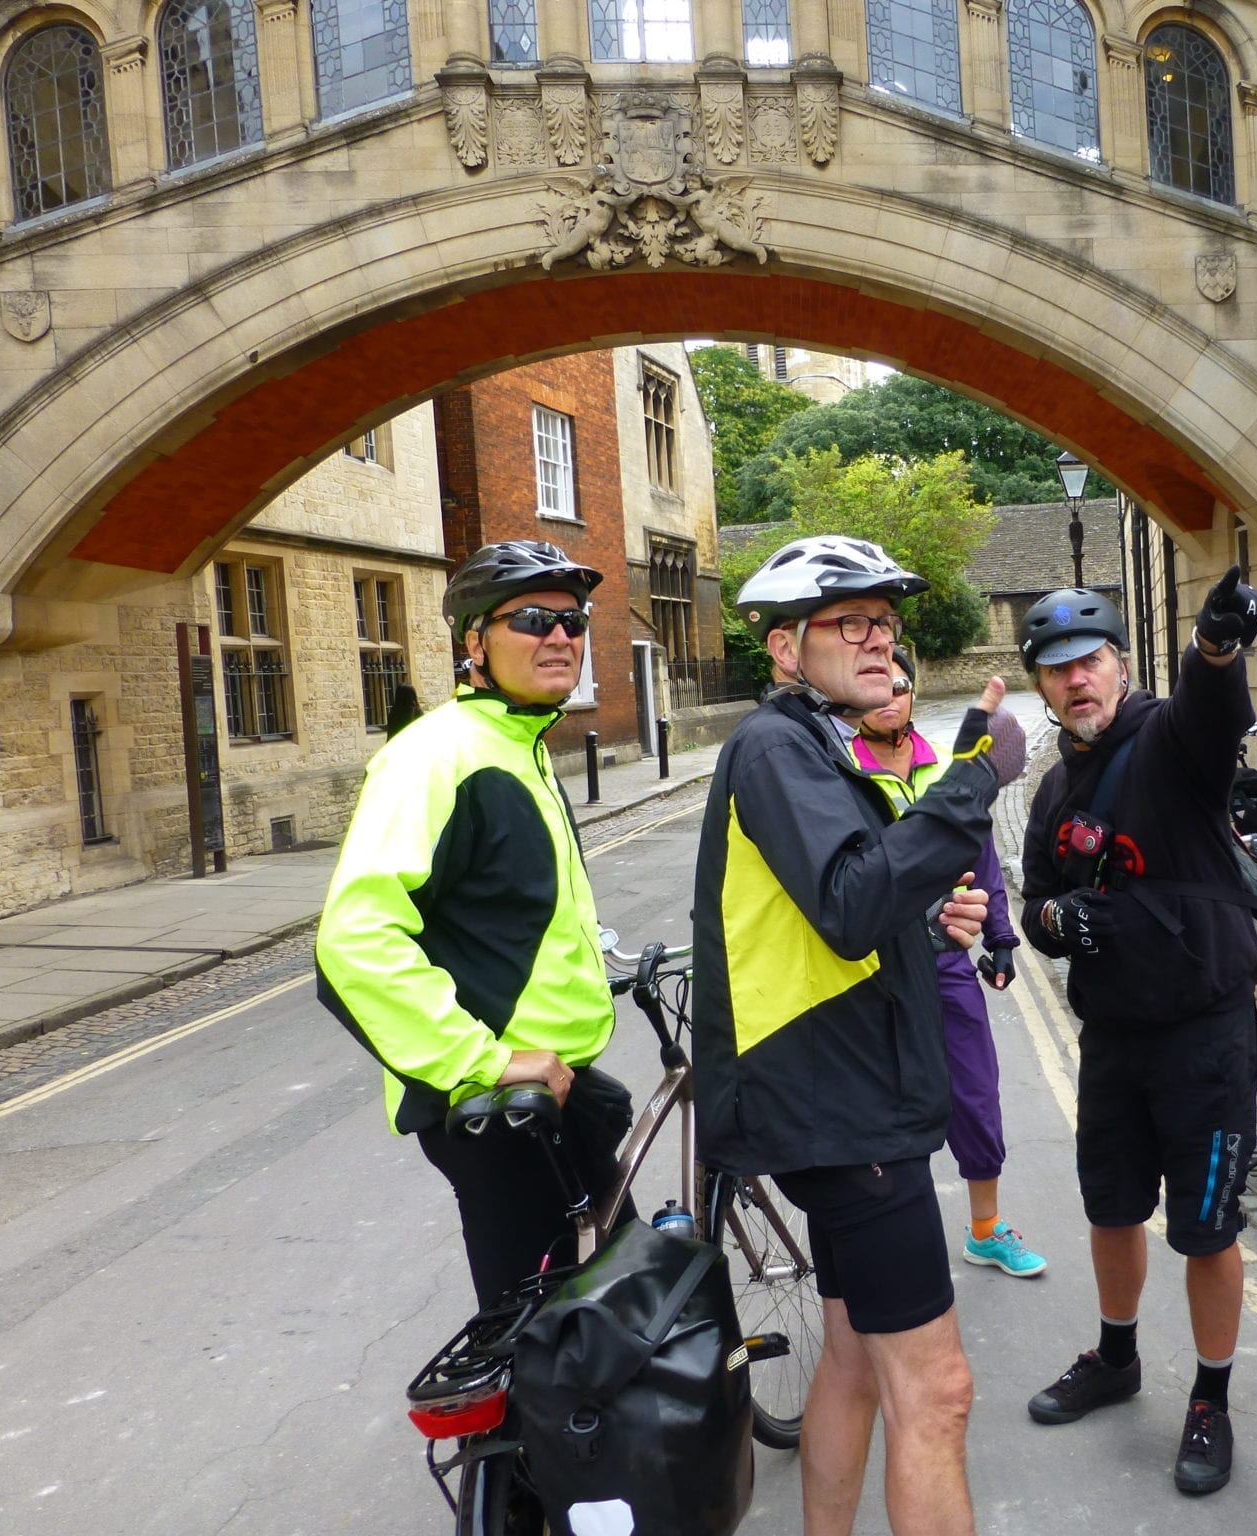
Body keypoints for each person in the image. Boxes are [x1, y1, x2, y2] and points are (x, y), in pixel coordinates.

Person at [691, 534, 1004, 1536]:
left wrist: (927, 925)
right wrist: (973, 780)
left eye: (886, 623)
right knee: (937, 1390)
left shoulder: (816, 744)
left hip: (833, 1094)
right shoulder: (776, 748)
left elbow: (841, 913)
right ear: (785, 649)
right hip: (843, 1108)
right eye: (850, 622)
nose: (880, 641)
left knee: (855, 1359)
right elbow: (849, 903)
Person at [1017, 567, 1257, 1497]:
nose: (1076, 679)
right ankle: (1117, 1357)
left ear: (1121, 666)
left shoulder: (1168, 739)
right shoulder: (1054, 789)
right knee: (1112, 1210)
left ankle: (1211, 1398)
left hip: (1204, 1033)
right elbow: (1035, 905)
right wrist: (1061, 922)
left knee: (1206, 1232)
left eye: (1090, 660)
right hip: (1115, 1038)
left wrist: (1215, 645)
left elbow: (1212, 712)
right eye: (1057, 669)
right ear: (1042, 686)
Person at [316, 539, 628, 1308]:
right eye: (533, 619)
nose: (560, 636)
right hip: (494, 1108)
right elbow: (354, 939)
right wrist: (481, 1062)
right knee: (542, 1335)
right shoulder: (435, 758)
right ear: (475, 642)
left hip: (553, 1090)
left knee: (607, 1296)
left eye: (573, 619)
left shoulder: (517, 745)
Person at [843, 646, 1046, 1278]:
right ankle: (884, 1238)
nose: (890, 696)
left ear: (913, 692)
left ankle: (985, 1230)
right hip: (871, 971)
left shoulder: (947, 768)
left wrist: (1001, 937)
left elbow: (981, 859)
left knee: (975, 1094)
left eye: (901, 685)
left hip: (946, 961)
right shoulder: (838, 771)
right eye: (879, 685)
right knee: (878, 1108)